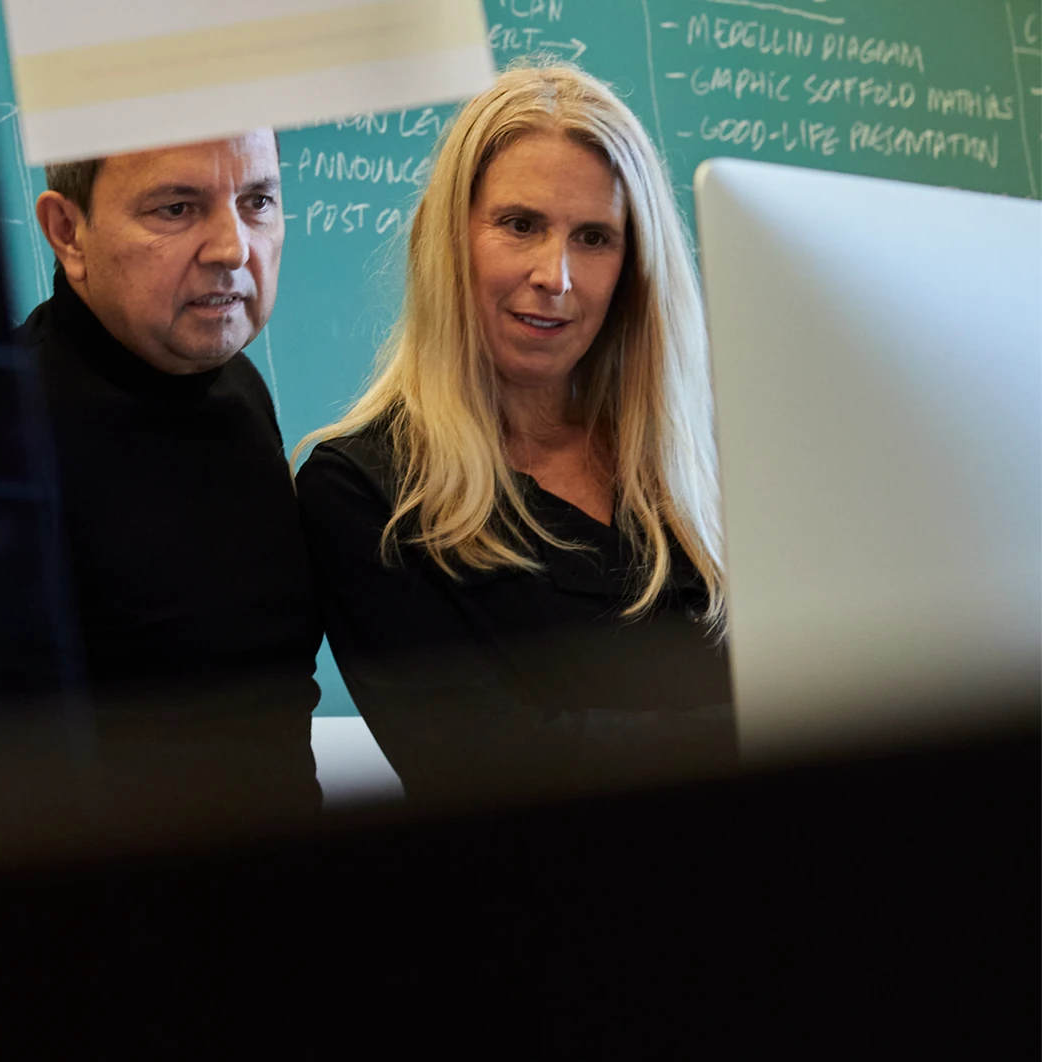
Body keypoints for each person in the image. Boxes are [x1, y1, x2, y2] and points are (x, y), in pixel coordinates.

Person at [295, 65, 733, 804]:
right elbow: (489, 762)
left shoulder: (697, 466)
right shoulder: (366, 489)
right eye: (520, 225)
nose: (554, 275)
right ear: (448, 237)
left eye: (595, 237)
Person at [23, 131, 322, 807]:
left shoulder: (238, 386)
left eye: (258, 201)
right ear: (68, 232)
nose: (233, 247)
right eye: (176, 209)